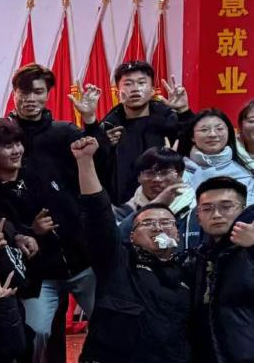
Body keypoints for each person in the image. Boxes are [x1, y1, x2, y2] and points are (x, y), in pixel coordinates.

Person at [71, 136, 191, 363]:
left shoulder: (193, 269)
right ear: (132, 236)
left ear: (178, 232)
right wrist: (85, 161)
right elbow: (97, 215)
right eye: (147, 223)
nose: (158, 227)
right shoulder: (117, 262)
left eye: (166, 222)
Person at [0, 117, 90, 363]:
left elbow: (73, 208)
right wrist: (31, 231)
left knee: (110, 321)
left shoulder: (40, 171)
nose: (16, 150)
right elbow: (1, 231)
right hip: (38, 277)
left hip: (81, 265)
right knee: (36, 331)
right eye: (7, 146)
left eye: (18, 143)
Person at [0, 63, 103, 196]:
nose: (30, 98)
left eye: (38, 92)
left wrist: (90, 119)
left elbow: (101, 161)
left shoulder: (65, 132)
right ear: (14, 93)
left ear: (47, 95)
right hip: (4, 213)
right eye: (24, 92)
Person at [188, 176, 254, 363]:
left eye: (226, 207)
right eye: (207, 209)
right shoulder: (198, 257)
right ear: (198, 216)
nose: (217, 215)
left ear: (243, 209)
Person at [102, 61, 193, 203]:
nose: (135, 89)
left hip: (168, 202)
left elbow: (191, 148)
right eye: (128, 84)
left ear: (152, 90)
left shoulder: (170, 121)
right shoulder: (109, 128)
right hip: (122, 207)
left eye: (141, 83)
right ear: (117, 91)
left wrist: (184, 112)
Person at [113, 146, 193, 244]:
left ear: (180, 175)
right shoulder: (125, 212)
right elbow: (114, 241)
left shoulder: (195, 209)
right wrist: (154, 205)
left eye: (164, 173)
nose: (157, 179)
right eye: (149, 173)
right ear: (139, 177)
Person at [181, 108, 254, 198]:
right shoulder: (179, 172)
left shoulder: (244, 172)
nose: (213, 134)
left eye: (219, 129)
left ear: (229, 132)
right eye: (204, 130)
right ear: (192, 136)